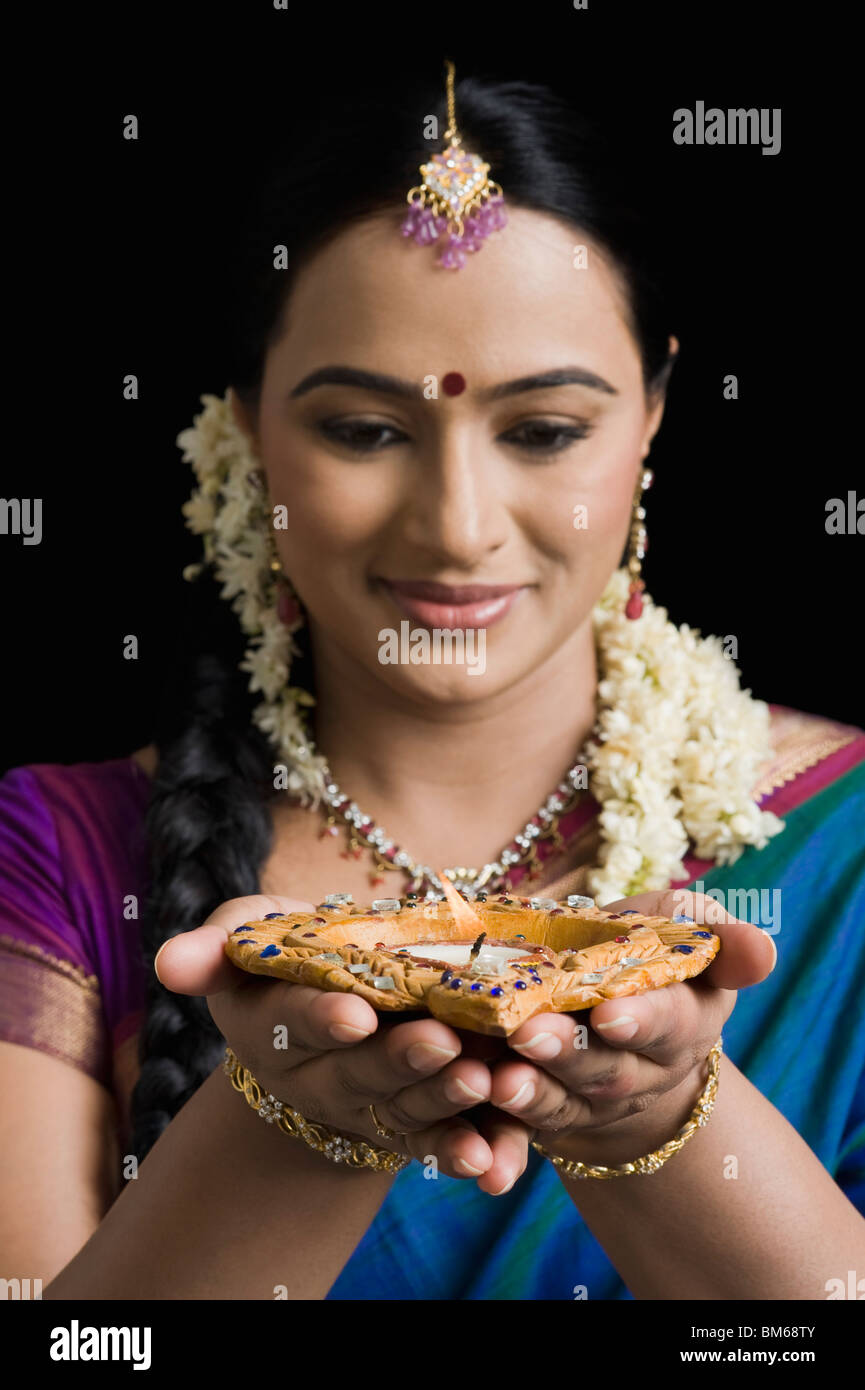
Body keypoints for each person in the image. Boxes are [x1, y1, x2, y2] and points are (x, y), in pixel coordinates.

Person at [1, 67, 863, 1302]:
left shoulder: (847, 844)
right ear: (247, 425)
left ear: (654, 414)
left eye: (544, 430)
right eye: (363, 429)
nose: (459, 530)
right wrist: (287, 1125)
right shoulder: (54, 857)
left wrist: (658, 1123)